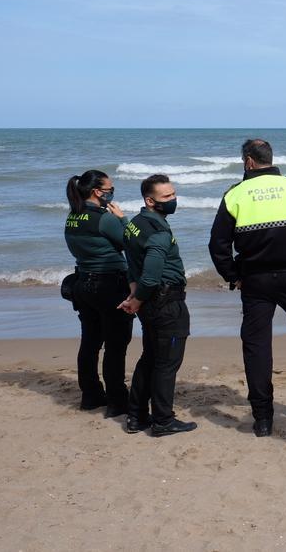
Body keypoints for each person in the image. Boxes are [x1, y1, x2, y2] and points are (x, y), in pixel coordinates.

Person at [208, 139, 286, 437]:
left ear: (248, 161)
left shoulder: (235, 194)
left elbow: (218, 244)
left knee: (257, 346)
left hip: (255, 280)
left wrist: (232, 275)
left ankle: (263, 419)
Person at [117, 174, 197, 437]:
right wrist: (136, 300)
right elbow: (150, 274)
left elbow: (131, 262)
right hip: (166, 304)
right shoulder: (158, 232)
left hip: (150, 303)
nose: (173, 200)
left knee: (150, 358)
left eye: (173, 194)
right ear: (150, 200)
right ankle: (163, 420)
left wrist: (133, 293)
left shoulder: (134, 224)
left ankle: (136, 416)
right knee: (167, 363)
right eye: (167, 197)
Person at [64, 170, 134, 416]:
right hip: (109, 284)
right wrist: (123, 219)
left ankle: (91, 395)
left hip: (83, 284)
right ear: (97, 191)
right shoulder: (104, 218)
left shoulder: (72, 216)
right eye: (109, 188)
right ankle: (117, 401)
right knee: (116, 345)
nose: (112, 192)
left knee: (90, 342)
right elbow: (133, 242)